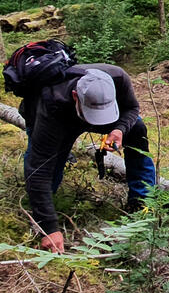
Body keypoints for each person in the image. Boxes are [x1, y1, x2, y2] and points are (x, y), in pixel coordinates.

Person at [22, 65, 156, 253]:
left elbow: (132, 108)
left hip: (78, 110)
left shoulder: (119, 78)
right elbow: (38, 171)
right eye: (93, 115)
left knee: (137, 130)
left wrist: (119, 129)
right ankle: (39, 212)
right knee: (47, 168)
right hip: (59, 116)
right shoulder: (52, 104)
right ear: (76, 96)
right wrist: (49, 228)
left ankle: (143, 201)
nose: (96, 124)